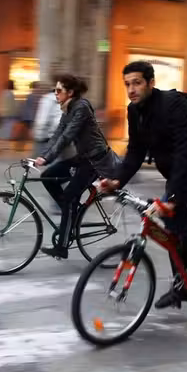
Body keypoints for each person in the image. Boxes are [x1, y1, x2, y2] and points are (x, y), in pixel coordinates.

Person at [99, 61, 187, 310]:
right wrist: (116, 180)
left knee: (173, 214)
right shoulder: (134, 111)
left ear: (151, 83)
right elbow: (135, 152)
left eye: (137, 83)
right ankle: (184, 285)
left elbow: (184, 152)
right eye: (127, 84)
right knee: (172, 226)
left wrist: (172, 197)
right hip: (176, 172)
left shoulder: (175, 106)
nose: (131, 89)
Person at [34, 74, 120, 259]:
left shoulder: (81, 107)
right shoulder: (68, 109)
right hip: (83, 158)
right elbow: (58, 134)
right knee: (47, 177)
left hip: (97, 161)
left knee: (68, 198)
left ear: (70, 92)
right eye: (54, 90)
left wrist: (47, 157)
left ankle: (62, 247)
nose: (55, 94)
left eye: (59, 91)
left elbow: (67, 136)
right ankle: (71, 211)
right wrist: (43, 156)